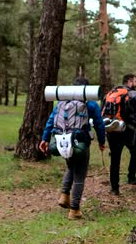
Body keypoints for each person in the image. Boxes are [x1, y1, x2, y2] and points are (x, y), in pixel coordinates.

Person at [39, 77, 106, 220]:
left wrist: (45, 139)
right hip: (80, 143)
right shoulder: (91, 104)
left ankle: (64, 196)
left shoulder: (62, 103)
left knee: (71, 167)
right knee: (80, 176)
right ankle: (74, 209)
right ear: (86, 90)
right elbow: (99, 124)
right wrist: (102, 141)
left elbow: (51, 120)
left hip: (62, 142)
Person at [104, 74, 136, 196]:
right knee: (135, 152)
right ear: (129, 81)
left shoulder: (111, 93)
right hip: (128, 130)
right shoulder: (135, 95)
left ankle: (114, 188)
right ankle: (131, 177)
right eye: (135, 81)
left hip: (112, 128)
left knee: (115, 158)